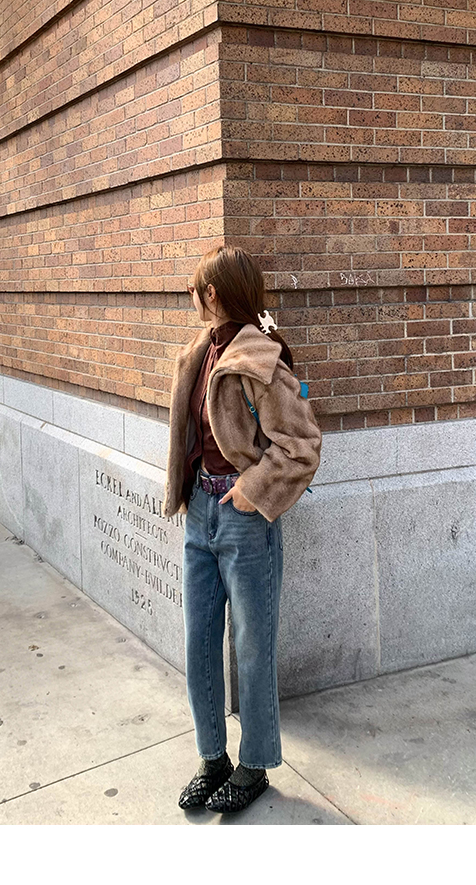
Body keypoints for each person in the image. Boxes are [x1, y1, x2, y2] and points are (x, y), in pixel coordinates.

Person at [162, 246, 322, 814]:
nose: (190, 296)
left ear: (212, 293)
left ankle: (254, 765)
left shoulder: (261, 360)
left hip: (243, 518)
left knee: (252, 645)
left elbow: (302, 445)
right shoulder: (200, 352)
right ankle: (213, 759)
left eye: (195, 287)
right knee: (199, 640)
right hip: (200, 514)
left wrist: (253, 490)